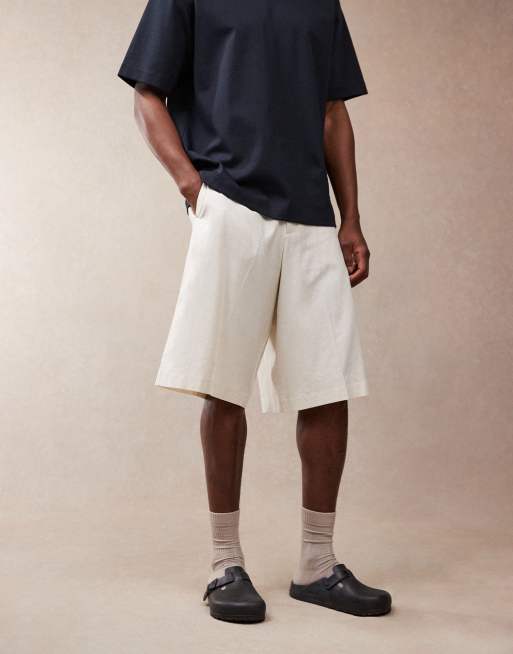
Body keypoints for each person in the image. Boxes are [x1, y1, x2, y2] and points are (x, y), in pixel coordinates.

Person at [118, 0, 391, 623]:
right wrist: (193, 187)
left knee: (327, 386)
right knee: (223, 384)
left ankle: (317, 565)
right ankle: (225, 564)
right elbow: (147, 93)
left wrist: (350, 217)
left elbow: (333, 111)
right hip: (230, 201)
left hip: (311, 213)